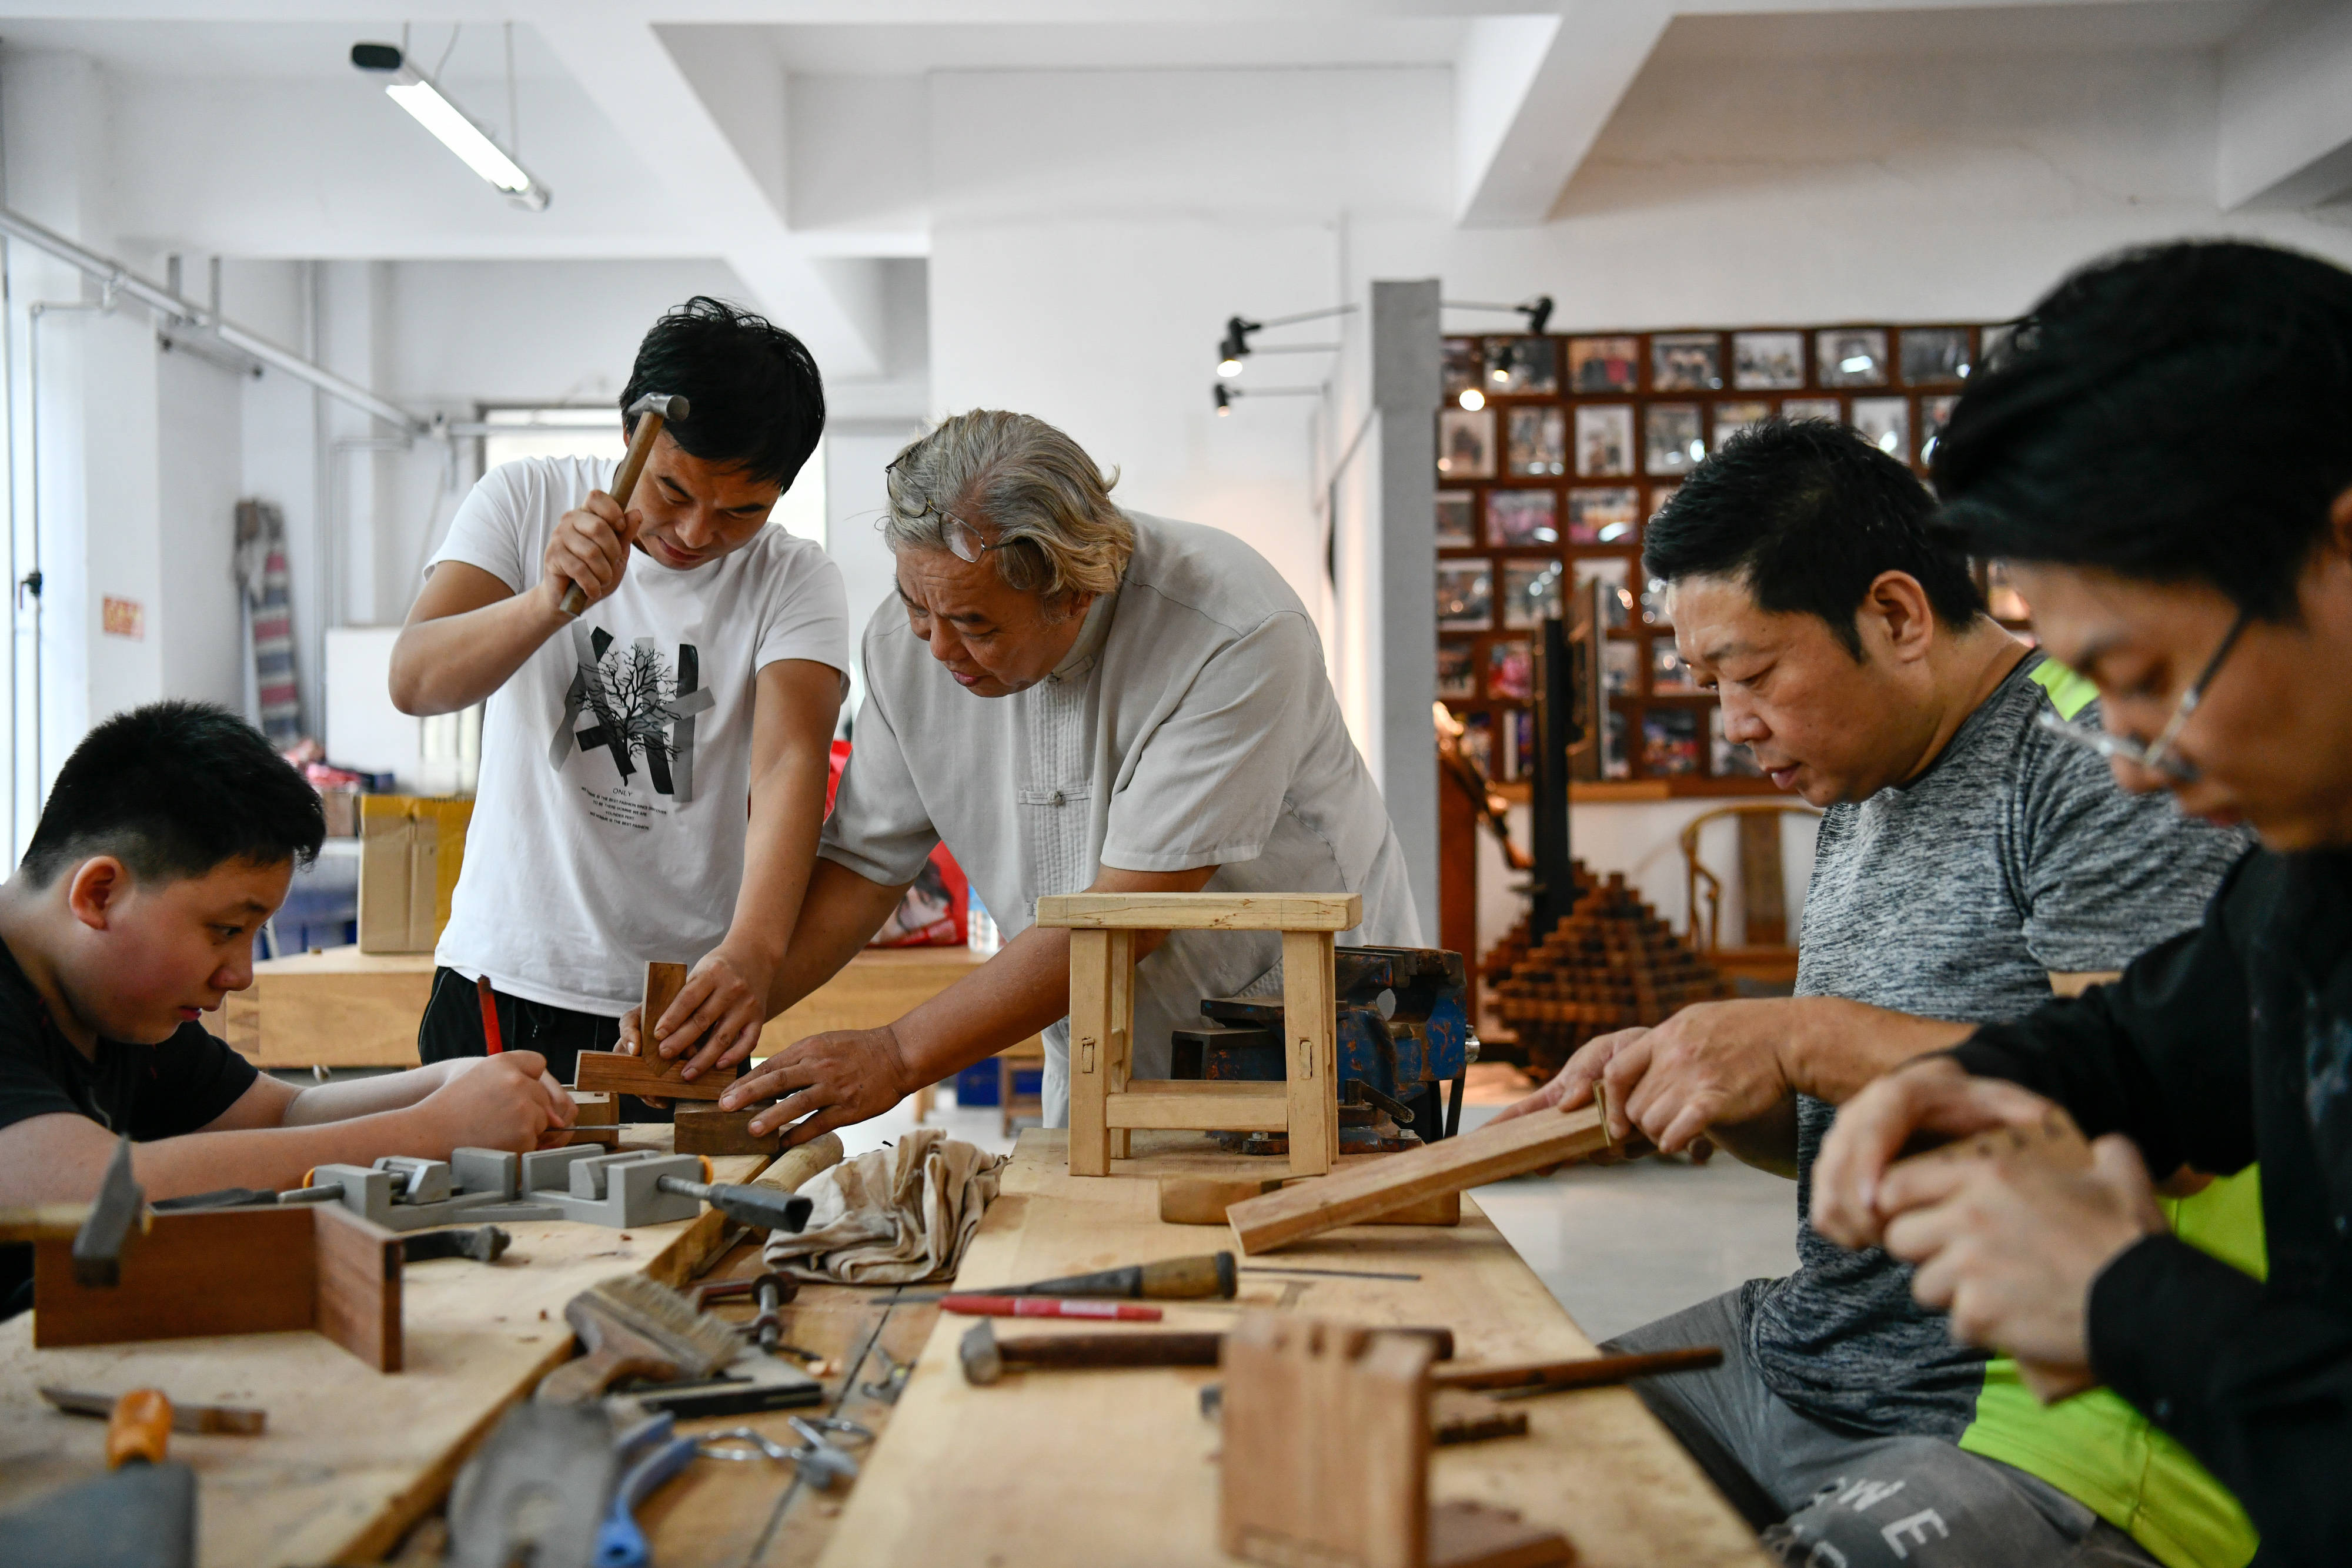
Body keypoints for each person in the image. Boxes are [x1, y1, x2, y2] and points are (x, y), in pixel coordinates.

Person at [1496, 420, 2256, 1567]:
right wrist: (1704, 1084)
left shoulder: (2094, 761)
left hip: (2032, 1409)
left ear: (1896, 615)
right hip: (1813, 1346)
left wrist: (1804, 1037)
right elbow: (1851, 1120)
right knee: (1486, 1467)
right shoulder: (1863, 775)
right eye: (1707, 684)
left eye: (1751, 674)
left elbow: (2162, 1136)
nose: (1732, 720)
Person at [1812, 240, 2352, 1567]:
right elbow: (2150, 1044)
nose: (2124, 755)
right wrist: (1963, 1079)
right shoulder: (2313, 857)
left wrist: (2125, 1301)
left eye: (2148, 673)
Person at [630, 409, 1420, 1141]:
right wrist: (741, 992)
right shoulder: (910, 644)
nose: (937, 648)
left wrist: (899, 1054)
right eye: (916, 607)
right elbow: (867, 862)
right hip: (1096, 1034)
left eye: (974, 626)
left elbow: (1130, 916)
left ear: (1075, 591)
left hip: (1322, 1036)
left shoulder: (1232, 632)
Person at [390, 297, 848, 1090]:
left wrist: (753, 954)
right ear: (634, 433)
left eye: (744, 509)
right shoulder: (524, 501)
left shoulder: (794, 577)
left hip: (682, 1006)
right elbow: (417, 681)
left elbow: (788, 766)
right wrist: (544, 604)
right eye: (673, 491)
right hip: (504, 980)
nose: (700, 532)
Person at [0, 703, 575, 1317]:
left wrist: (448, 1081)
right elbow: (80, 1190)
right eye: (224, 929)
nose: (241, 975)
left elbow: (282, 1112)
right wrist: (432, 1131)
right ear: (100, 893)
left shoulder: (117, 1004)